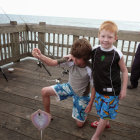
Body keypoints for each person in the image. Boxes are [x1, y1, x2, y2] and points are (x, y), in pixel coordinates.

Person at [32, 38, 95, 127]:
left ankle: (83, 109)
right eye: (74, 56)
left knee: (79, 125)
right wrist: (40, 56)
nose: (75, 60)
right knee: (44, 91)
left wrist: (90, 104)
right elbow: (52, 63)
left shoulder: (90, 68)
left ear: (86, 58)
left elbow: (94, 87)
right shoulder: (70, 59)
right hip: (69, 87)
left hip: (82, 95)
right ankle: (48, 114)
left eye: (78, 58)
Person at [90, 21, 128, 140]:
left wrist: (124, 89)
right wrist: (71, 55)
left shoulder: (117, 54)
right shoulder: (95, 50)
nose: (105, 40)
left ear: (115, 38)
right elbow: (82, 55)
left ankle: (96, 136)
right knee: (101, 109)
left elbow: (125, 71)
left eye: (110, 37)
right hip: (99, 88)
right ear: (98, 35)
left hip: (112, 91)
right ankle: (105, 122)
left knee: (105, 113)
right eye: (103, 36)